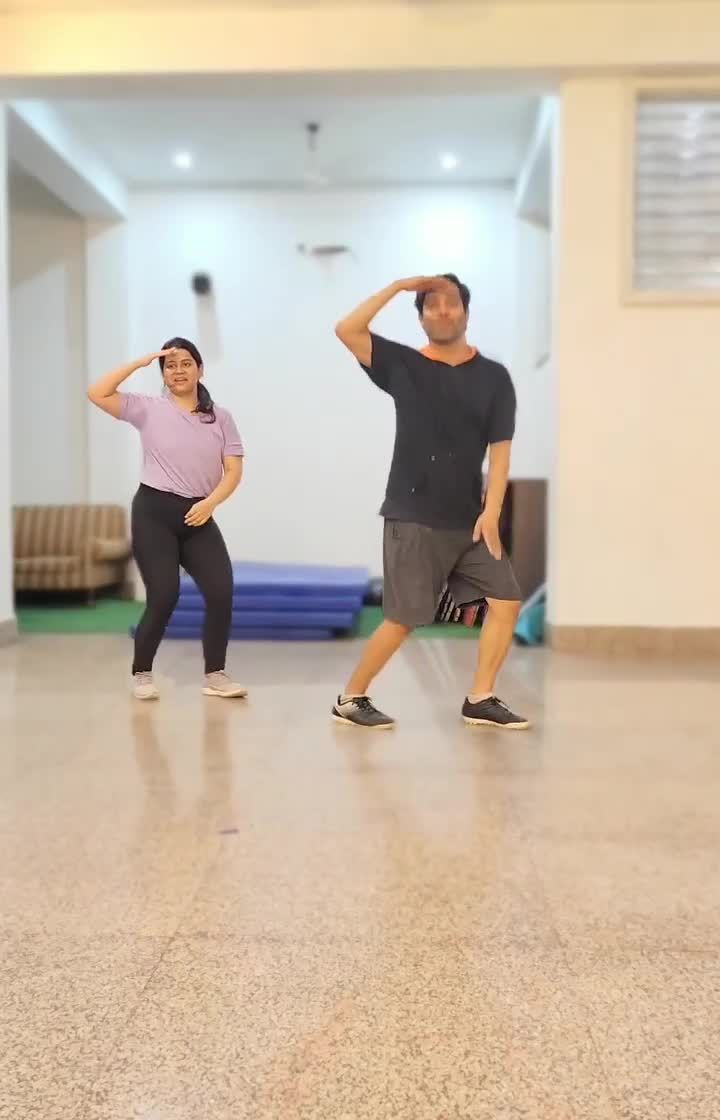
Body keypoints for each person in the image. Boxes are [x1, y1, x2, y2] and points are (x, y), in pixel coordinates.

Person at [332, 274, 529, 731]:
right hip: (413, 515)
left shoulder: (494, 377)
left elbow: (500, 450)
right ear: (420, 317)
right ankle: (351, 697)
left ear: (466, 312)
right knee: (404, 619)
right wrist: (399, 286)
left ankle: (480, 697)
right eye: (431, 305)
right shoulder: (403, 365)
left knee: (506, 600)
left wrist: (492, 512)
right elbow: (347, 329)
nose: (442, 311)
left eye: (451, 303)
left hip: (470, 521)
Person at [87, 337, 246, 701]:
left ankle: (215, 675)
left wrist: (210, 504)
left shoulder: (220, 417)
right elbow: (97, 392)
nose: (178, 371)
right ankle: (141, 673)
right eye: (170, 365)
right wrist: (139, 362)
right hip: (153, 514)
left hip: (198, 514)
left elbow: (234, 471)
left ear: (200, 369)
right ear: (162, 373)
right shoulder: (147, 408)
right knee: (164, 595)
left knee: (221, 591)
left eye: (186, 363)